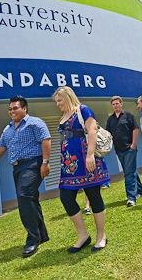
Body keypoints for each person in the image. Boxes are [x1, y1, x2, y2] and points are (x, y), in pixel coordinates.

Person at [0, 96, 52, 258]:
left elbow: (46, 140)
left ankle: (32, 239)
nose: (12, 111)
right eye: (10, 109)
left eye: (15, 108)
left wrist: (45, 163)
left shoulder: (35, 122)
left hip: (33, 164)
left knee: (24, 196)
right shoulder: (8, 129)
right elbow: (1, 147)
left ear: (24, 108)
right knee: (31, 199)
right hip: (18, 167)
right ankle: (42, 234)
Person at [53, 86, 109, 253]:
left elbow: (91, 130)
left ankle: (101, 236)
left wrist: (90, 155)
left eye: (60, 100)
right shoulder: (62, 117)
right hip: (69, 165)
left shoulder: (83, 109)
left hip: (86, 161)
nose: (57, 104)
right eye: (56, 101)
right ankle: (83, 235)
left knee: (94, 196)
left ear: (68, 97)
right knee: (66, 197)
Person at [105, 96, 142, 207]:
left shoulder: (128, 116)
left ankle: (131, 198)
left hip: (129, 149)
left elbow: (135, 129)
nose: (115, 106)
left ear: (121, 104)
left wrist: (133, 144)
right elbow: (108, 134)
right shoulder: (110, 119)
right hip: (119, 150)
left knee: (128, 173)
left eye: (117, 103)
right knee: (131, 171)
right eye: (113, 104)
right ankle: (141, 191)